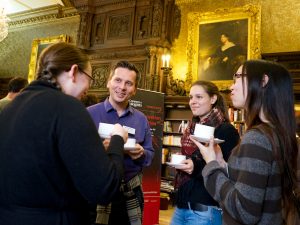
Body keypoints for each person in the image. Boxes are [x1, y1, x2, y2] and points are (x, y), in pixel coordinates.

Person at [0, 42, 128, 225]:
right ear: (74, 72)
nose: (88, 90)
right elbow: (104, 189)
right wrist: (117, 140)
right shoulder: (68, 107)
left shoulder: (10, 108)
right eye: (90, 79)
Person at [192, 60, 299, 225]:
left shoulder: (257, 138)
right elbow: (253, 185)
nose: (231, 87)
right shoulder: (278, 133)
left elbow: (245, 211)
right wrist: (221, 163)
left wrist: (211, 164)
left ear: (263, 81)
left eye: (237, 78)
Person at [87, 61, 154, 225]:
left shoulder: (141, 119)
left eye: (128, 83)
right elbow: (77, 156)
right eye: (118, 80)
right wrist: (99, 150)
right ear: (109, 82)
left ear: (135, 90)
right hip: (97, 193)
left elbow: (150, 155)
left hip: (131, 195)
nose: (122, 87)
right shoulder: (89, 114)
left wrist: (141, 153)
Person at [170, 80, 240, 225]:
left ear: (213, 99)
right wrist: (183, 160)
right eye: (190, 97)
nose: (193, 102)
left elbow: (224, 169)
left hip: (205, 210)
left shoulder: (226, 130)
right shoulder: (191, 128)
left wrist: (194, 166)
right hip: (181, 205)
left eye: (199, 97)